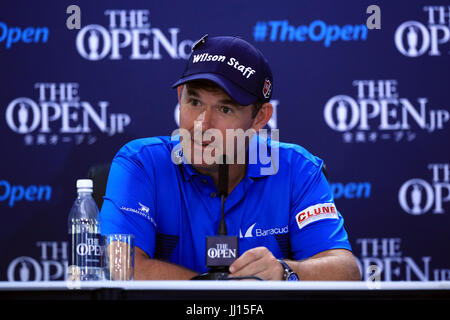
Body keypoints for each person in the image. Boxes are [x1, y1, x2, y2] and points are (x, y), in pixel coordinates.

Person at [100, 35, 361, 281]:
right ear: (180, 97)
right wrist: (224, 293)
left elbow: (346, 271)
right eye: (194, 102)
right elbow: (121, 266)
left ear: (260, 118)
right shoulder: (142, 164)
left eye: (225, 109)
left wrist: (284, 271)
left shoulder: (298, 170)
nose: (202, 124)